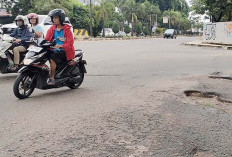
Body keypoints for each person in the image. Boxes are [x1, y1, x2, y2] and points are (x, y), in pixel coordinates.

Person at [44, 9, 75, 85]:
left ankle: (51, 78)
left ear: (61, 18)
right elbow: (47, 39)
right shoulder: (52, 28)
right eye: (53, 18)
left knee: (52, 59)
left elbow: (70, 43)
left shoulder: (67, 29)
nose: (54, 19)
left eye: (56, 18)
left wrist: (61, 46)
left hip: (65, 51)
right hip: (53, 49)